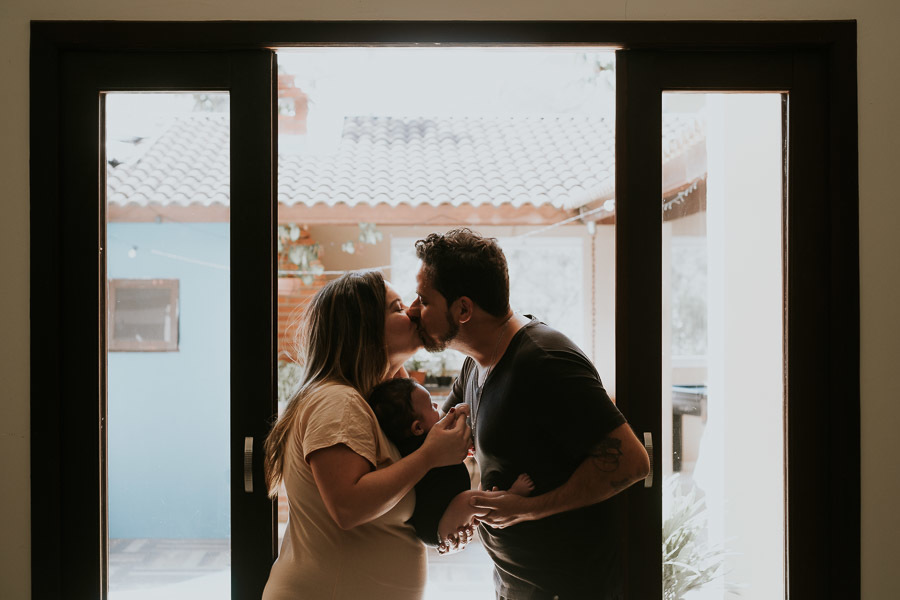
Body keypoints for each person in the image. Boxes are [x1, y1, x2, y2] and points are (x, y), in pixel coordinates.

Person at [408, 228, 651, 600]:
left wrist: (528, 510)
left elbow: (632, 462)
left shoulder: (544, 360)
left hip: (569, 588)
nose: (413, 310)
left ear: (463, 309)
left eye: (423, 300)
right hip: (516, 585)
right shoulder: (475, 366)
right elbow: (434, 439)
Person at [261, 270, 472, 600]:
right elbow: (348, 507)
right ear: (363, 330)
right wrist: (429, 455)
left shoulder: (372, 407)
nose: (414, 310)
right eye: (397, 307)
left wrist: (444, 524)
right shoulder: (338, 402)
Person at [367, 377, 534, 551]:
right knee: (472, 500)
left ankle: (494, 500)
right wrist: (460, 412)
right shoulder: (420, 447)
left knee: (478, 491)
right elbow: (453, 424)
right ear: (417, 428)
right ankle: (510, 497)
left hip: (443, 515)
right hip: (437, 523)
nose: (438, 408)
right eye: (432, 406)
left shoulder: (414, 445)